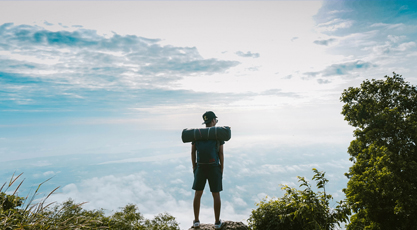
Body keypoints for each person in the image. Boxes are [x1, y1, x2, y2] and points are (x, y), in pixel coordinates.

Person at [191, 111, 224, 229]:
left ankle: (196, 221)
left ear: (205, 122)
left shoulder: (197, 134)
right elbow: (220, 153)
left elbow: (193, 151)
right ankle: (217, 222)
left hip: (200, 167)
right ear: (213, 121)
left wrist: (194, 167)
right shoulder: (217, 134)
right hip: (214, 167)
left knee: (198, 193)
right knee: (216, 194)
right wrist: (221, 169)